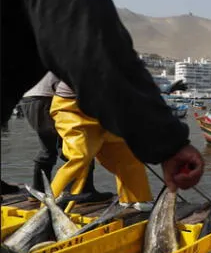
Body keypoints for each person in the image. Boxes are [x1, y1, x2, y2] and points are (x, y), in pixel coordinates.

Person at [1, 0, 204, 193]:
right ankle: (52, 204)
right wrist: (169, 144)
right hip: (72, 106)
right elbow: (95, 57)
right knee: (78, 155)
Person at [49, 80, 154, 212]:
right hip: (72, 107)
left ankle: (133, 198)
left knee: (126, 152)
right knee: (80, 155)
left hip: (105, 109)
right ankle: (51, 207)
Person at [19, 72, 113, 203]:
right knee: (82, 145)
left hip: (30, 99)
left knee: (47, 149)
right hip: (47, 99)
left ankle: (38, 190)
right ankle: (82, 191)